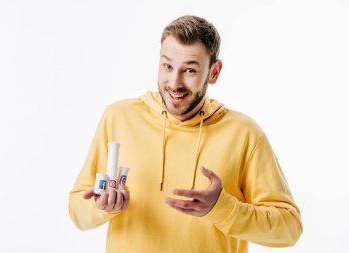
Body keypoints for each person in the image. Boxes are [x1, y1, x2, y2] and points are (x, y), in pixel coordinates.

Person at [68, 15, 303, 253]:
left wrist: (222, 208)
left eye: (190, 70)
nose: (174, 82)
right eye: (167, 66)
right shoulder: (118, 117)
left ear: (214, 72)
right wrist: (101, 207)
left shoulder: (244, 134)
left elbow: (289, 229)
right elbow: (78, 210)